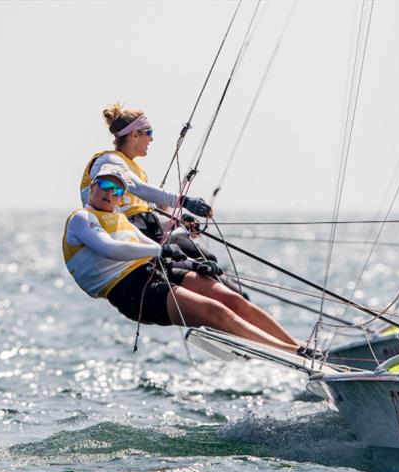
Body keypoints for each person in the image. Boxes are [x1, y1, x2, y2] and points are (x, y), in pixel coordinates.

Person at [64, 165, 301, 353]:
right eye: (105, 185)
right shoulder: (81, 218)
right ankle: (291, 352)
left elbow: (151, 246)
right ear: (93, 187)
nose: (109, 193)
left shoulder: (120, 219)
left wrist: (193, 263)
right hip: (130, 292)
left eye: (117, 191)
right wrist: (161, 252)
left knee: (233, 300)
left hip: (152, 272)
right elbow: (110, 249)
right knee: (215, 311)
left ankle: (300, 347)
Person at [79, 103, 212, 244]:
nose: (151, 139)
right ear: (135, 135)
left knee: (207, 259)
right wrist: (183, 201)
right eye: (149, 133)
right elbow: (139, 189)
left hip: (136, 231)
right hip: (113, 236)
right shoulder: (109, 160)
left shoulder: (139, 171)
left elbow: (145, 215)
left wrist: (178, 222)